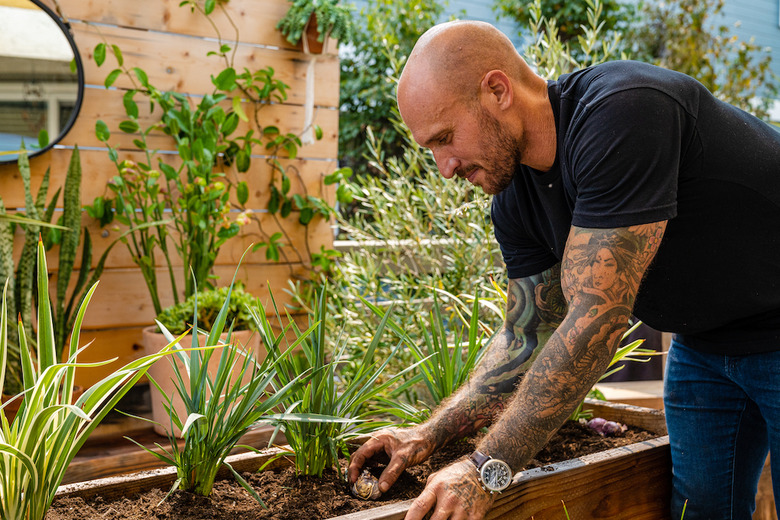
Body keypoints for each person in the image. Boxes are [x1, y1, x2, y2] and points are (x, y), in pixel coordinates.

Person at [346, 19, 780, 520]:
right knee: (701, 512)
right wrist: (428, 434)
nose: (445, 167)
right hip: (704, 346)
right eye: (432, 149)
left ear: (497, 90)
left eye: (445, 137)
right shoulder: (513, 197)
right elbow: (525, 336)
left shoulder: (623, 111)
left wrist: (485, 467)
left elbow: (597, 321)